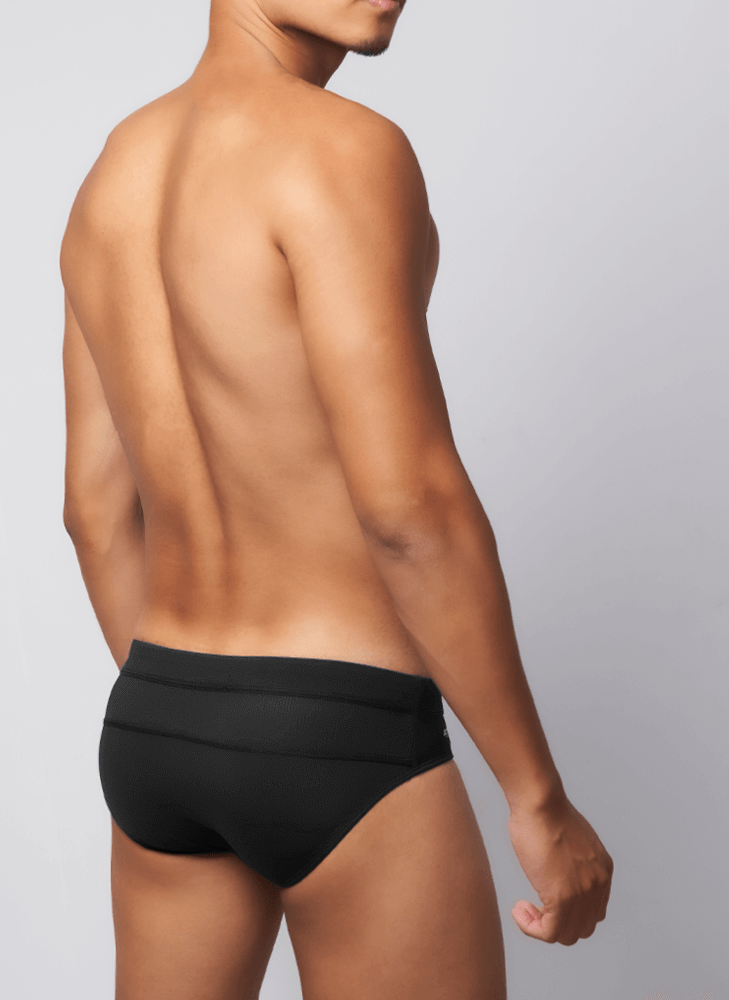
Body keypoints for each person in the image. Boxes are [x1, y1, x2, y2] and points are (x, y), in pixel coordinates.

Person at [60, 0, 614, 995]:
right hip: (342, 733)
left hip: (158, 722)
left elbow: (93, 513)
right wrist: (537, 798)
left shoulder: (112, 174)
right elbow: (409, 510)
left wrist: (206, 723)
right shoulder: (346, 150)